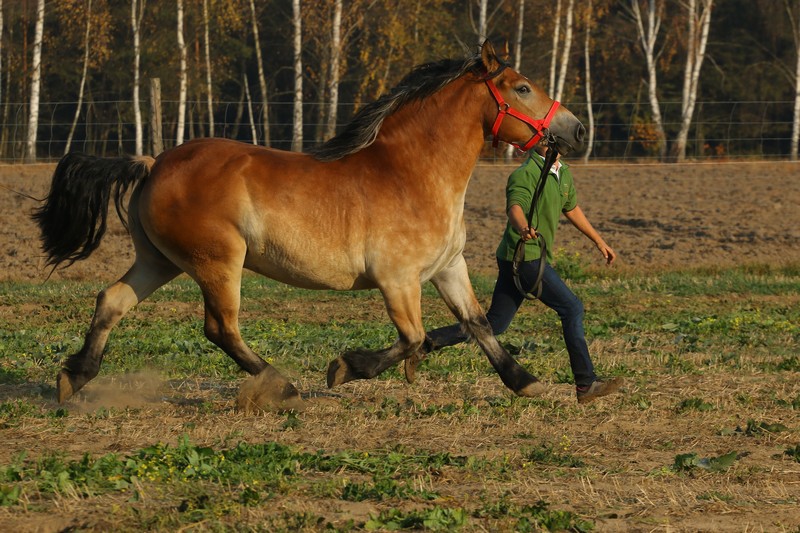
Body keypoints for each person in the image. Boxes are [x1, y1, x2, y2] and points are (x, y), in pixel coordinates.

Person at [407, 142, 623, 404]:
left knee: (496, 323)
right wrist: (522, 227)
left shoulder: (562, 171)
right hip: (526, 258)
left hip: (518, 257)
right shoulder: (525, 173)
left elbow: (571, 207)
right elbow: (515, 207)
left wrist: (599, 242)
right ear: (539, 143)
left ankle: (426, 344)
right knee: (572, 308)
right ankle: (585, 383)